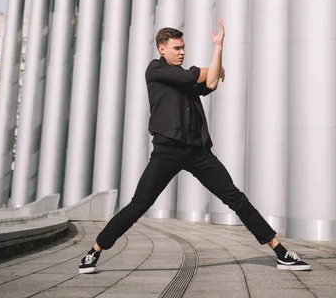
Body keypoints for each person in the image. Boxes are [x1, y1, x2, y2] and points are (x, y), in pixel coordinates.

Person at [79, 19, 311, 273]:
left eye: (183, 48)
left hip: (198, 151)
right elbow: (197, 74)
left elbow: (210, 83)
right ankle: (94, 251)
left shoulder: (184, 76)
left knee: (235, 197)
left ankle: (280, 252)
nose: (182, 52)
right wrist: (213, 68)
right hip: (167, 150)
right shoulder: (155, 70)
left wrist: (218, 48)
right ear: (162, 48)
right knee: (138, 205)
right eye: (177, 48)